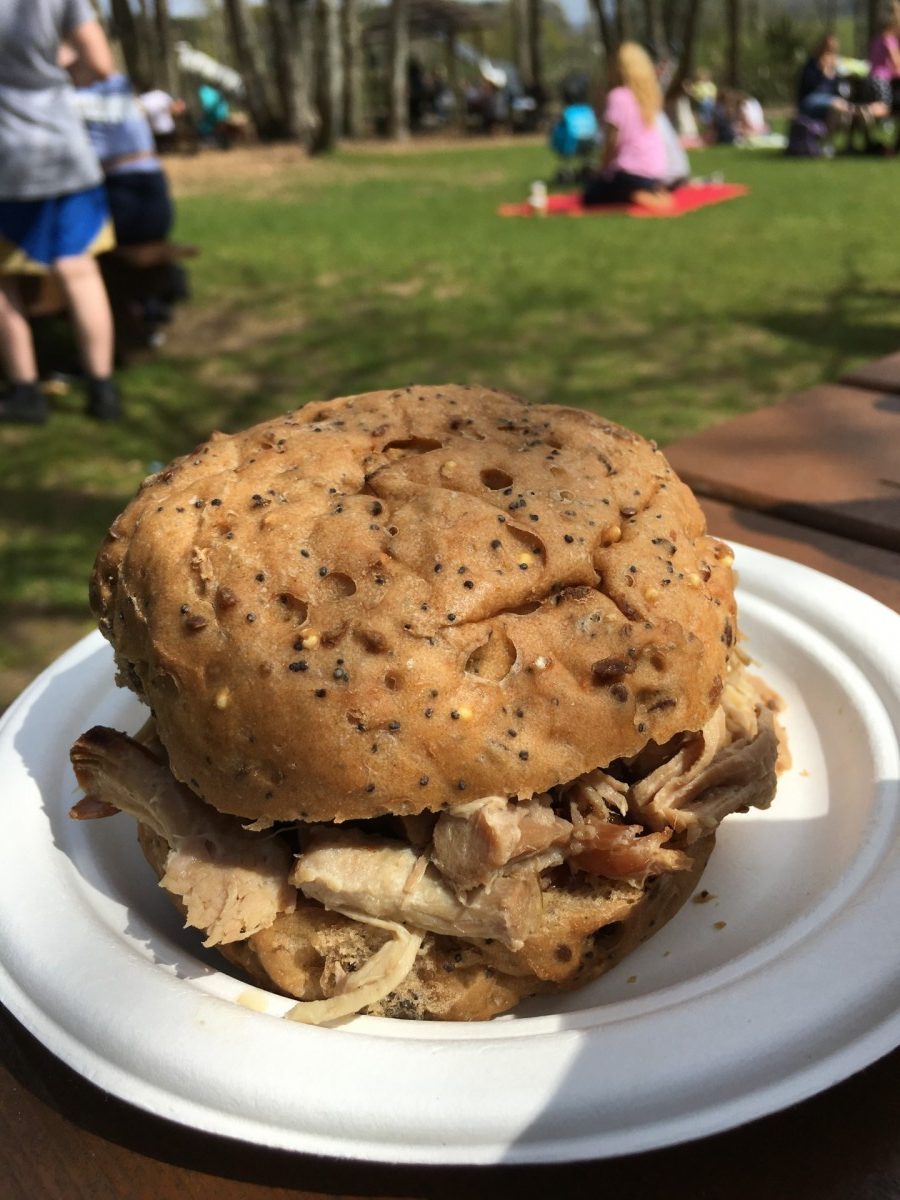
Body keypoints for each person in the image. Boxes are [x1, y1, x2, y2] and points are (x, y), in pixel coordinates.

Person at [0, 0, 121, 423]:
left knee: (3, 284)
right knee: (80, 270)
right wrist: (60, 71)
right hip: (65, 153)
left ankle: (26, 391)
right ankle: (103, 391)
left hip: (6, 164)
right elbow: (103, 65)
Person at [583, 42, 671, 212]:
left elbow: (612, 142)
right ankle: (650, 193)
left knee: (590, 195)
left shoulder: (618, 97)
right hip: (655, 173)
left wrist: (602, 169)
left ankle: (634, 195)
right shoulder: (649, 98)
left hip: (629, 174)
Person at [796, 33, 852, 131]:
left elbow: (840, 89)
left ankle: (826, 141)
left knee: (840, 112)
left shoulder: (836, 69)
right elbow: (808, 86)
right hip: (810, 100)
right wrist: (822, 72)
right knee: (837, 105)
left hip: (831, 101)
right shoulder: (812, 65)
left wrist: (834, 74)